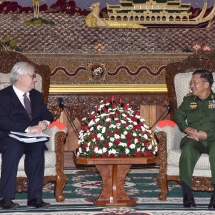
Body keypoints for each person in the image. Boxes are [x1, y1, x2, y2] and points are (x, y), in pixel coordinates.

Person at [0, 62, 53, 209]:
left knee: (38, 147)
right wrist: (28, 129)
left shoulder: (35, 95)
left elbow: (47, 114)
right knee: (13, 147)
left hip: (31, 139)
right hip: (8, 137)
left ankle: (35, 198)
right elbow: (2, 120)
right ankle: (6, 198)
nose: (35, 79)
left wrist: (44, 122)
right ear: (20, 77)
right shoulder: (4, 96)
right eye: (33, 76)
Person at [173, 69, 215, 209]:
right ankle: (187, 194)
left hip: (213, 139)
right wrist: (185, 128)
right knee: (188, 150)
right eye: (191, 83)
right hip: (193, 139)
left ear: (206, 84)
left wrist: (207, 135)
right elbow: (178, 116)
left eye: (195, 82)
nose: (191, 85)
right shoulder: (188, 100)